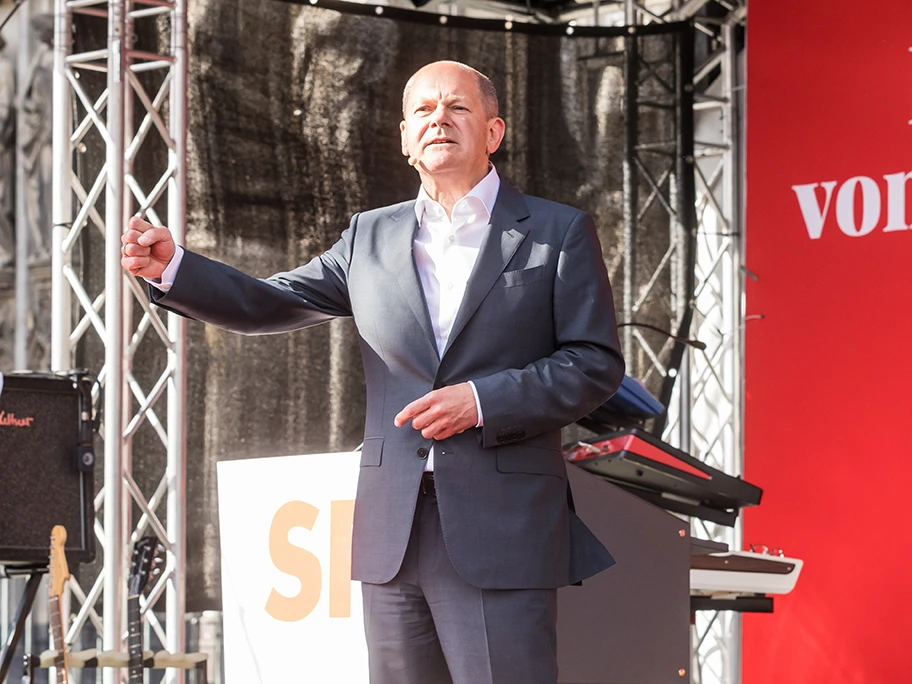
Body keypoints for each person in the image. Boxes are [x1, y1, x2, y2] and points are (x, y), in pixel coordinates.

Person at [122, 60, 625, 684]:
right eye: (423, 110)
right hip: (393, 532)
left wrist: (483, 400)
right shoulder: (371, 236)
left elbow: (593, 363)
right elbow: (270, 301)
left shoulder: (557, 231)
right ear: (406, 137)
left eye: (457, 108)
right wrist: (175, 269)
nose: (439, 118)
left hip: (503, 527)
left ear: (493, 132)